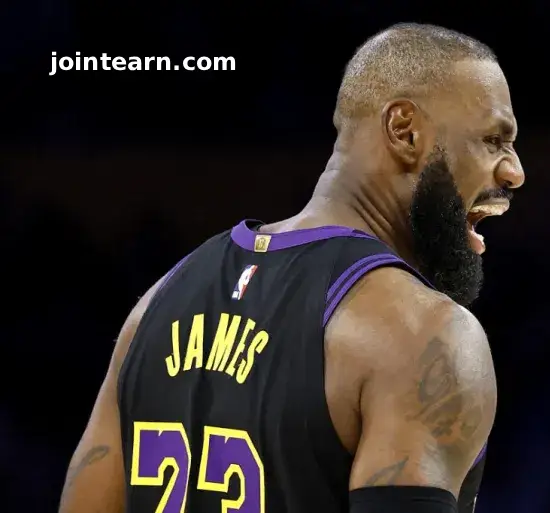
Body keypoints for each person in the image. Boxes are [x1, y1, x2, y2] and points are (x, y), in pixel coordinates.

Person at [58, 22, 524, 513]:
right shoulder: (424, 333)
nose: (515, 171)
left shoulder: (156, 304)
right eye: (494, 140)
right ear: (404, 130)